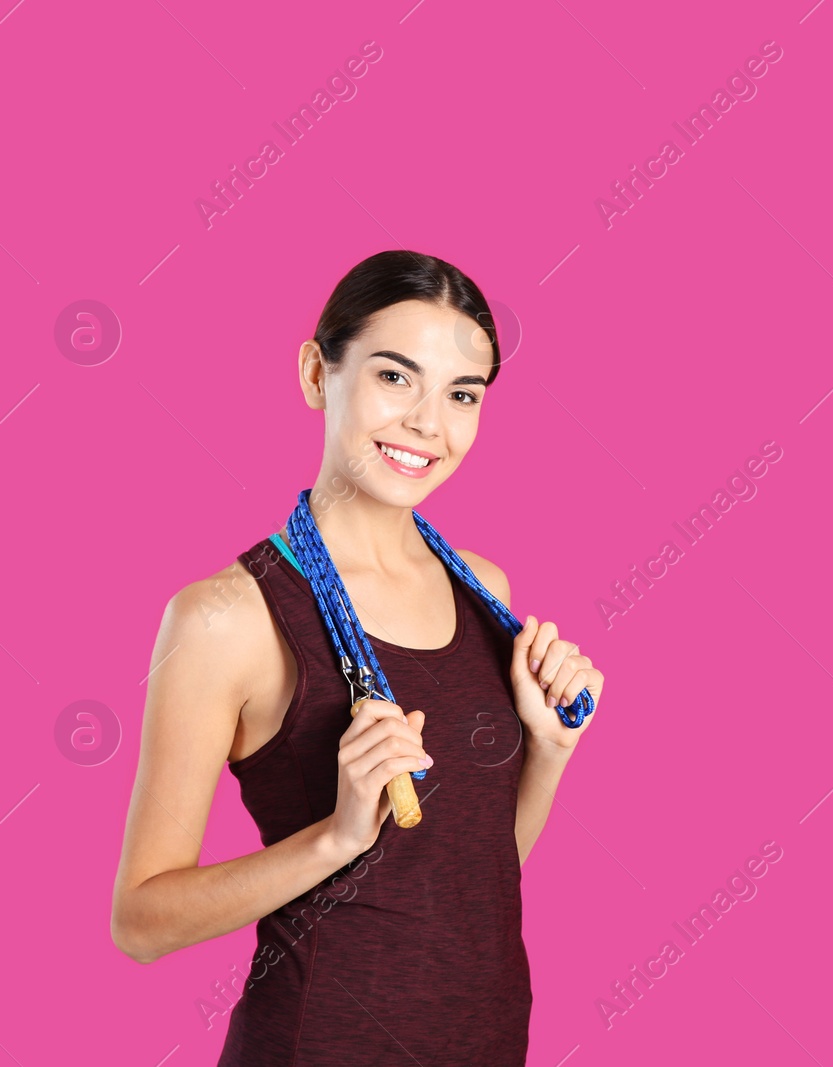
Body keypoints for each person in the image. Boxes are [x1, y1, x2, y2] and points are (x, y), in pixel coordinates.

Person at [109, 250, 604, 1065]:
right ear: (315, 372)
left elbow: (472, 869)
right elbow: (140, 922)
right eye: (395, 376)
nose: (427, 424)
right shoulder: (227, 618)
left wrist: (548, 750)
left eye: (462, 394)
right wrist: (336, 838)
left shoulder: (484, 589)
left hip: (486, 1040)